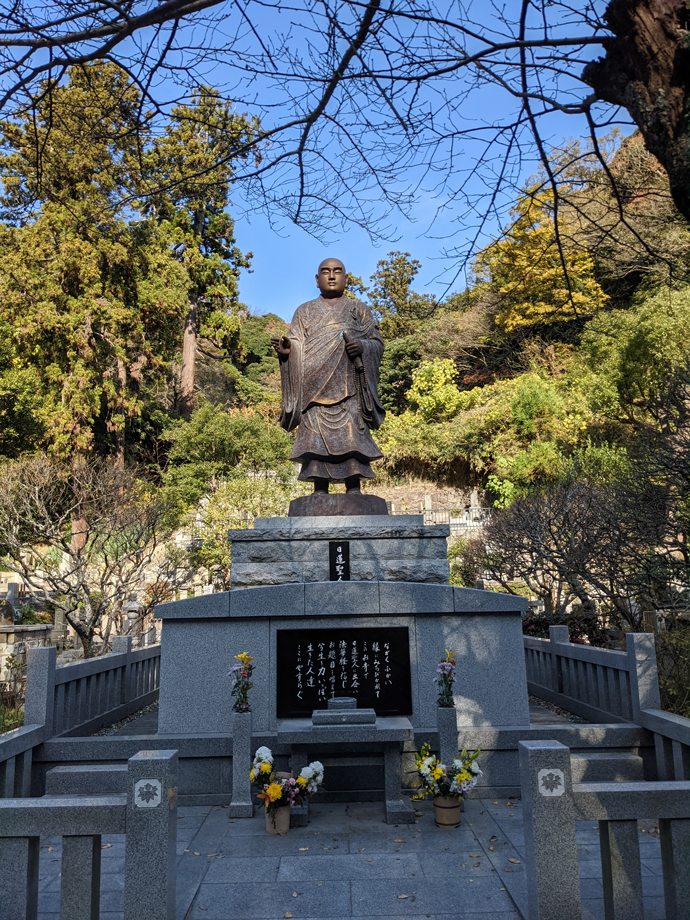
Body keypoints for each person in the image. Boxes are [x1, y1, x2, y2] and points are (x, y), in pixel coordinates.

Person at [271, 257, 385, 493]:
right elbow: (297, 344)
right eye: (325, 272)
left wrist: (363, 347)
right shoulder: (304, 311)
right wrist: (287, 351)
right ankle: (318, 491)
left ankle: (354, 490)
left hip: (349, 387)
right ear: (317, 279)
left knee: (352, 438)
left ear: (346, 278)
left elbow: (377, 343)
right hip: (314, 390)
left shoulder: (359, 310)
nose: (331, 276)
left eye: (337, 271)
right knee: (315, 443)